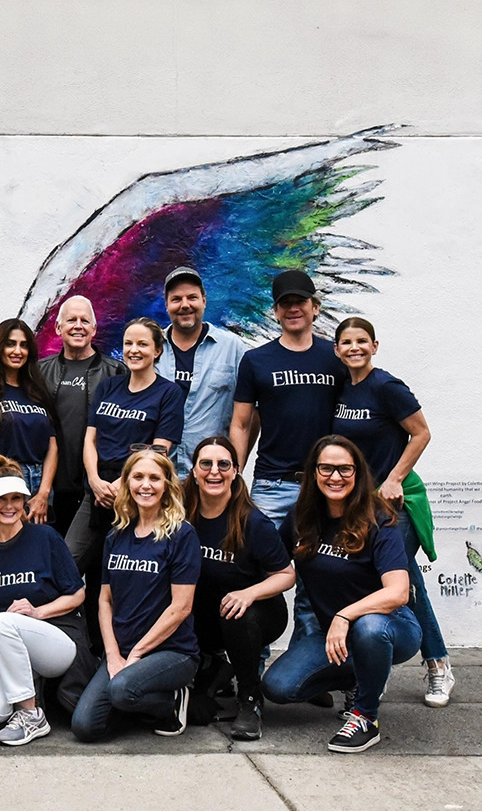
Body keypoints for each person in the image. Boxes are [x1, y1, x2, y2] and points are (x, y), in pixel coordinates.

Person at [261, 436, 420, 754]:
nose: (335, 477)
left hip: (390, 626)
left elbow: (398, 591)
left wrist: (345, 615)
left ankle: (365, 717)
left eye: (345, 469)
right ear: (314, 472)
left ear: (357, 473)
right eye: (326, 468)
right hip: (334, 635)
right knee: (278, 687)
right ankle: (363, 674)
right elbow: (273, 565)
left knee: (369, 628)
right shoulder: (301, 517)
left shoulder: (379, 519)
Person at [332, 316, 452, 706]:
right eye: (347, 342)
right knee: (379, 582)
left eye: (361, 341)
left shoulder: (386, 386)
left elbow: (422, 432)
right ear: (337, 350)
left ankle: (437, 664)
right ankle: (375, 671)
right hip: (361, 505)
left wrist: (395, 478)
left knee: (402, 580)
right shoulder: (344, 389)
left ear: (375, 346)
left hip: (396, 502)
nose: (354, 347)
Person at [230, 270, 343, 641]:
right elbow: (241, 424)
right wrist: (234, 476)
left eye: (300, 302)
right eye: (285, 303)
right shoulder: (256, 360)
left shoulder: (336, 357)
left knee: (317, 580)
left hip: (324, 487)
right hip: (271, 485)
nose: (293, 309)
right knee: (258, 573)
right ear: (276, 311)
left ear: (315, 307)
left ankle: (309, 663)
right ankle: (255, 662)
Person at [71, 449, 201, 742]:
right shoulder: (116, 535)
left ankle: (172, 700)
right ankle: (135, 700)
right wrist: (112, 655)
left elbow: (181, 608)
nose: (146, 485)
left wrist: (137, 654)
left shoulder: (181, 535)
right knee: (84, 727)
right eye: (138, 477)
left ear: (167, 485)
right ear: (127, 482)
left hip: (171, 651)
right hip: (123, 650)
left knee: (121, 690)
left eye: (154, 478)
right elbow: (105, 600)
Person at [0, 457, 92, 746]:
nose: (9, 506)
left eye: (16, 498)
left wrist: (36, 612)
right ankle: (28, 686)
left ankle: (31, 715)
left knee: (1, 623)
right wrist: (3, 627)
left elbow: (78, 594)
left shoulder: (45, 537)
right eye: (1, 499)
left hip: (57, 640)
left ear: (25, 500)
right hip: (9, 641)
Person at [182, 436, 294, 740]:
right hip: (203, 612)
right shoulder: (180, 511)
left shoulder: (252, 521)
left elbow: (286, 575)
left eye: (223, 464)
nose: (214, 471)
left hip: (255, 612)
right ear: (194, 470)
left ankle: (249, 699)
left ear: (235, 471)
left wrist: (249, 593)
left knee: (235, 613)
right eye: (206, 464)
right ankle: (211, 666)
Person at [66, 317, 185, 578]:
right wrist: (94, 481)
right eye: (128, 343)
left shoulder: (169, 393)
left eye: (142, 344)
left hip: (137, 496)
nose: (134, 350)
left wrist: (123, 484)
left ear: (157, 350)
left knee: (121, 574)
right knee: (67, 565)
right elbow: (90, 439)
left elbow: (159, 450)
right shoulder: (108, 386)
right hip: (96, 493)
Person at [38, 295, 124, 536]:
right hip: (51, 488)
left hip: (98, 489)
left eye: (85, 321)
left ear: (94, 329)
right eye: (71, 320)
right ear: (58, 327)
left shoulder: (116, 372)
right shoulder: (40, 371)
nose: (78, 326)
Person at [156, 266, 248, 478]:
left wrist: (236, 469)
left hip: (211, 477)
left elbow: (250, 417)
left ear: (204, 301)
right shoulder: (152, 347)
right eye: (176, 299)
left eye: (192, 297)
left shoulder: (233, 348)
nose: (185, 305)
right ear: (167, 305)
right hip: (161, 477)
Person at [0, 317, 58, 530]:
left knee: (36, 549)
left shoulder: (37, 391)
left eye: (23, 345)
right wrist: (11, 494)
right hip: (3, 483)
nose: (17, 351)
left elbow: (52, 447)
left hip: (40, 485)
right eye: (10, 344)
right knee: (3, 548)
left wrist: (44, 493)